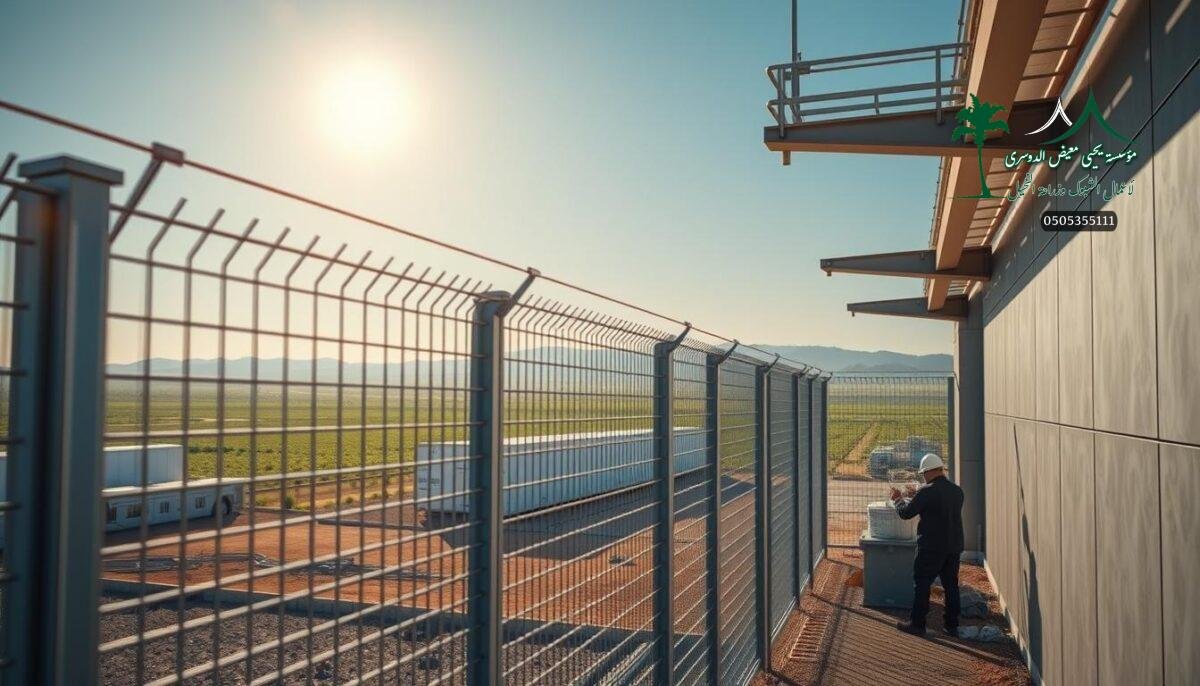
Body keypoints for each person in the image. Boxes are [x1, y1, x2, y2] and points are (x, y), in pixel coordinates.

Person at [889, 453, 964, 637]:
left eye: (923, 474)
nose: (923, 477)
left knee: (922, 583)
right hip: (953, 545)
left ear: (928, 472)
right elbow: (941, 507)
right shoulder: (957, 491)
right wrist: (918, 495)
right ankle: (951, 625)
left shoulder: (926, 492)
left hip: (931, 547)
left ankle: (917, 623)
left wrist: (898, 499)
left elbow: (906, 513)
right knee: (951, 585)